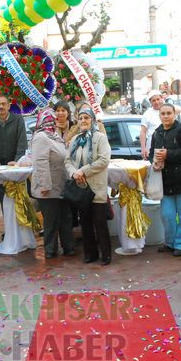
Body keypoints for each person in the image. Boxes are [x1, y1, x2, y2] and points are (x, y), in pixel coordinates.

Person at [149, 103, 181, 256]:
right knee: (167, 215)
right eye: (163, 113)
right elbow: (152, 152)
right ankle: (170, 243)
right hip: (165, 182)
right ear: (159, 115)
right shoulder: (157, 133)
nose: (166, 116)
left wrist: (168, 154)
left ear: (174, 114)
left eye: (168, 113)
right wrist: (155, 161)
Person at [65, 108, 112, 265]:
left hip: (96, 187)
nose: (83, 120)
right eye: (80, 118)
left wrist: (82, 171)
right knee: (85, 222)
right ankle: (90, 254)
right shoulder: (75, 140)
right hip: (81, 187)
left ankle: (105, 255)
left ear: (92, 120)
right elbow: (67, 161)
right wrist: (73, 173)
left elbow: (104, 160)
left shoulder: (100, 138)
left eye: (86, 118)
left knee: (100, 222)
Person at [31, 109, 75, 259]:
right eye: (49, 119)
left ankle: (69, 248)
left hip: (61, 186)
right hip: (48, 189)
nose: (52, 121)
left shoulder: (54, 135)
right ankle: (50, 251)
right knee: (51, 222)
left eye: (53, 119)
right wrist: (44, 185)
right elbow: (40, 163)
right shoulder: (41, 137)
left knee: (65, 218)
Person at [0, 95, 28, 211]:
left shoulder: (18, 119)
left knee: (19, 200)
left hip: (16, 167)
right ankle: (8, 226)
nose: (1, 107)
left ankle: (21, 227)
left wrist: (17, 161)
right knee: (4, 201)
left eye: (3, 104)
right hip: (0, 168)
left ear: (9, 105)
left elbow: (22, 142)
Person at [139, 90, 164, 160]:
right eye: (154, 100)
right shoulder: (147, 114)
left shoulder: (168, 110)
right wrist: (143, 148)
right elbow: (143, 132)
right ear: (150, 102)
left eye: (158, 99)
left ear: (162, 98)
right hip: (152, 147)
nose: (156, 102)